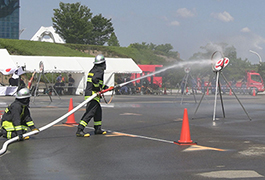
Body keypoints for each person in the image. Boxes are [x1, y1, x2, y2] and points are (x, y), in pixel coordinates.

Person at [76, 54, 109, 137]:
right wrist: (99, 89)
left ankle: (98, 129)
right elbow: (95, 80)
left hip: (91, 94)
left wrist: (104, 87)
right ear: (102, 63)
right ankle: (80, 129)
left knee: (98, 112)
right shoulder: (99, 70)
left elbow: (96, 81)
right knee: (90, 112)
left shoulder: (94, 69)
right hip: (93, 95)